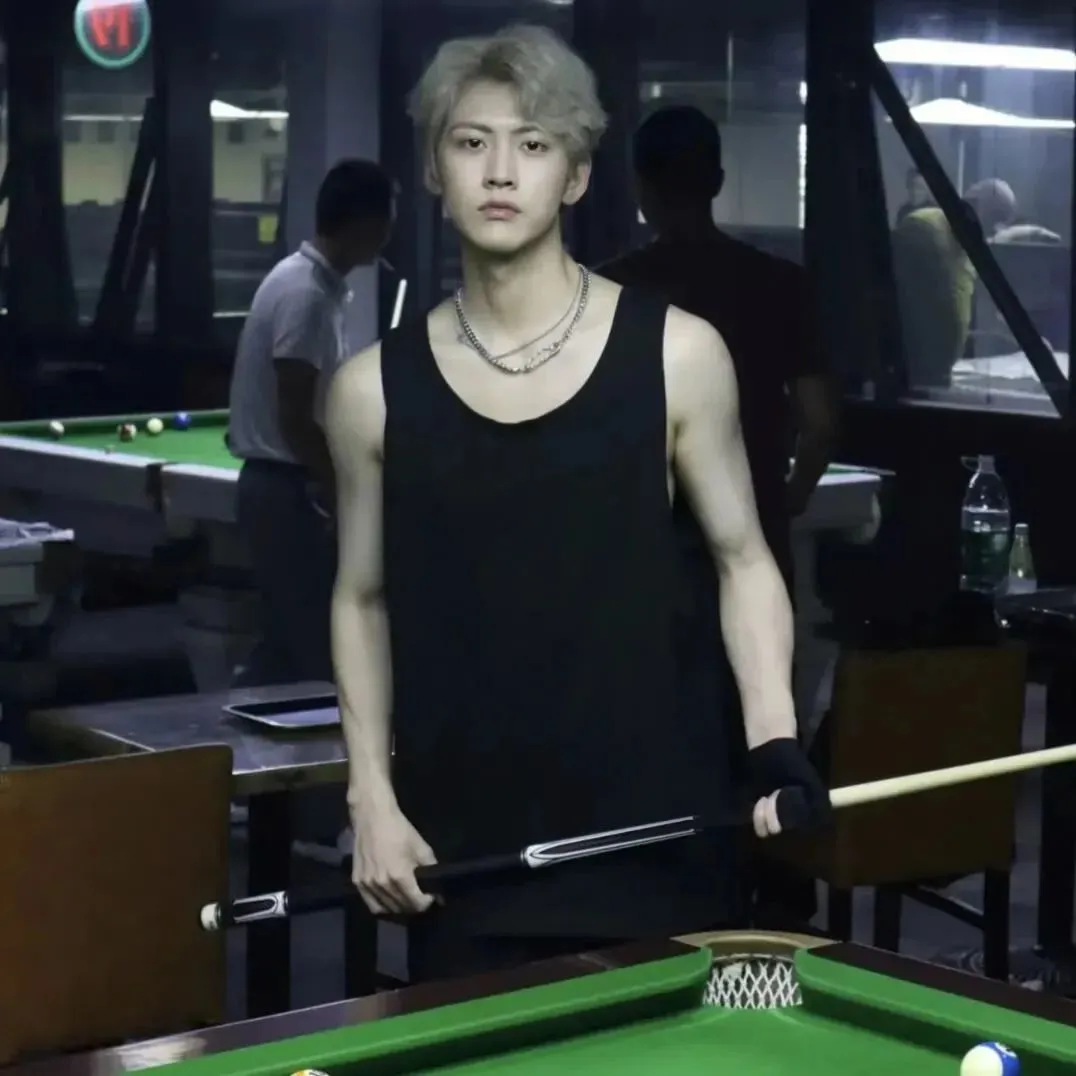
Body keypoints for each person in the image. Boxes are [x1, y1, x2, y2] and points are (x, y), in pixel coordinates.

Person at [327, 25, 829, 985]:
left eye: (533, 143)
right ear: (434, 170)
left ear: (578, 175)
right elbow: (361, 598)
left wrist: (773, 740)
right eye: (471, 142)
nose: (500, 170)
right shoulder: (368, 393)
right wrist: (370, 799)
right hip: (462, 859)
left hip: (664, 839)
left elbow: (745, 561)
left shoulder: (680, 354)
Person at [602, 105, 836, 929]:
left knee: (657, 730)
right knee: (764, 725)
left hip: (648, 552)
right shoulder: (779, 284)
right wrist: (789, 494)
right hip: (757, 537)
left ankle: (664, 901)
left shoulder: (614, 291)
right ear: (718, 181)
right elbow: (821, 419)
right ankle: (772, 892)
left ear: (639, 188)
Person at [228, 158, 394, 687]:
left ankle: (223, 732)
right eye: (387, 220)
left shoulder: (307, 283)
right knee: (313, 651)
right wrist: (342, 487)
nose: (390, 233)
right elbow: (295, 418)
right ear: (365, 222)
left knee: (287, 646)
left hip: (280, 489)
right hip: (286, 492)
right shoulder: (306, 294)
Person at [892, 178, 1016, 388]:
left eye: (999, 223)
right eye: (994, 217)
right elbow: (888, 297)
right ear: (972, 202)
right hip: (911, 378)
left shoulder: (968, 248)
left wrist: (1025, 340)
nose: (994, 230)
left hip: (939, 378)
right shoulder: (922, 226)